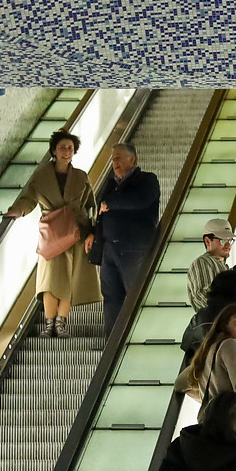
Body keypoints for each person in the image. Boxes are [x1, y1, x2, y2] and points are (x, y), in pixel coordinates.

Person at [4, 128, 100, 337]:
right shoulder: (41, 176)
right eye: (62, 148)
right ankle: (49, 324)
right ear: (54, 151)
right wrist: (17, 211)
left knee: (70, 279)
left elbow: (91, 205)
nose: (67, 152)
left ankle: (60, 324)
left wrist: (93, 230)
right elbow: (28, 198)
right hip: (52, 231)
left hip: (76, 231)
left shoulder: (81, 176)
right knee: (48, 281)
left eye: (70, 148)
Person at [94, 142, 162, 335]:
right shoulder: (110, 183)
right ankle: (111, 346)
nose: (114, 163)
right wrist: (94, 235)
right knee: (111, 298)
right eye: (112, 159)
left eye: (118, 158)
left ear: (132, 159)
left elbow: (140, 200)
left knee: (136, 296)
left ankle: (140, 338)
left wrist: (111, 203)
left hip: (134, 249)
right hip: (109, 249)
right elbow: (101, 213)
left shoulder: (147, 180)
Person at [181, 304, 236, 400]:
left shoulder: (210, 347)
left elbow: (180, 384)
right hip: (227, 413)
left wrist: (207, 400)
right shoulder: (231, 344)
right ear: (224, 324)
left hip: (210, 413)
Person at [191, 218, 236, 311]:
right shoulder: (203, 262)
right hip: (214, 322)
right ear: (207, 241)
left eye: (230, 240)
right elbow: (202, 296)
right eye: (223, 241)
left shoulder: (222, 265)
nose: (228, 245)